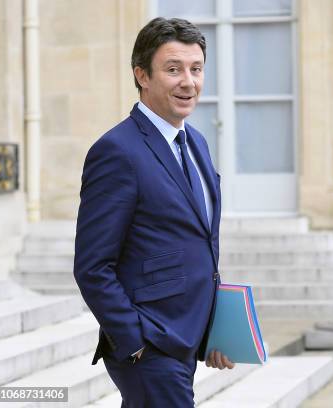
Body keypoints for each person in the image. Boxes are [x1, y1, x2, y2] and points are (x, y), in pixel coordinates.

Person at [73, 17, 233, 407]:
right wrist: (134, 343)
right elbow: (92, 266)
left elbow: (199, 242)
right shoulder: (117, 151)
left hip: (186, 338)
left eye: (196, 70)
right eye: (173, 69)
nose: (188, 82)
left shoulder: (194, 141)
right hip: (151, 347)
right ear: (142, 75)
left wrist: (216, 329)